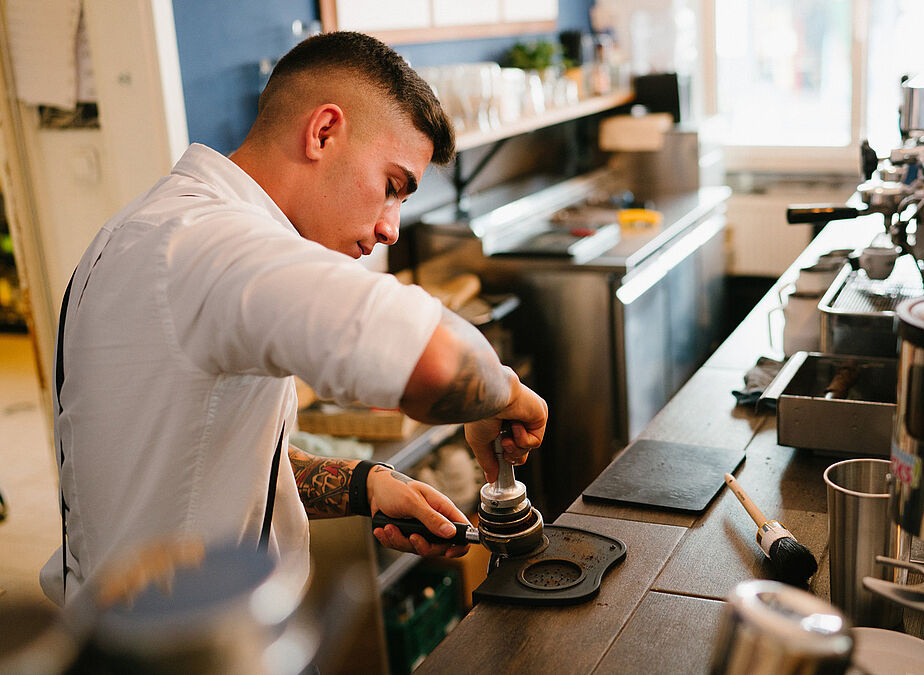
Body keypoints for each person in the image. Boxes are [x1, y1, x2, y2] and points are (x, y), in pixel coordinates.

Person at [41, 31, 548, 605]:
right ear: (323, 132)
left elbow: (215, 460)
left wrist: (367, 485)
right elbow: (434, 362)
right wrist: (503, 395)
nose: (390, 227)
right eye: (391, 187)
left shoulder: (151, 229)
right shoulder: (213, 243)